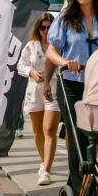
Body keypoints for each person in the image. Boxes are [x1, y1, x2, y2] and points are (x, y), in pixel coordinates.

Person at [44, 0, 98, 196]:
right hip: (71, 84)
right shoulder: (65, 18)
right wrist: (65, 62)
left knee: (93, 137)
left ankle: (80, 183)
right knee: (77, 136)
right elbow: (51, 51)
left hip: (97, 84)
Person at [19, 12, 61, 185]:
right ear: (38, 28)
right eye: (42, 27)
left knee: (49, 129)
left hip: (53, 88)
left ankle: (46, 171)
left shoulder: (59, 44)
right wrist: (31, 72)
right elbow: (20, 64)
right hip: (34, 90)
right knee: (37, 131)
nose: (46, 30)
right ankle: (45, 162)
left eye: (49, 27)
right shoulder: (31, 46)